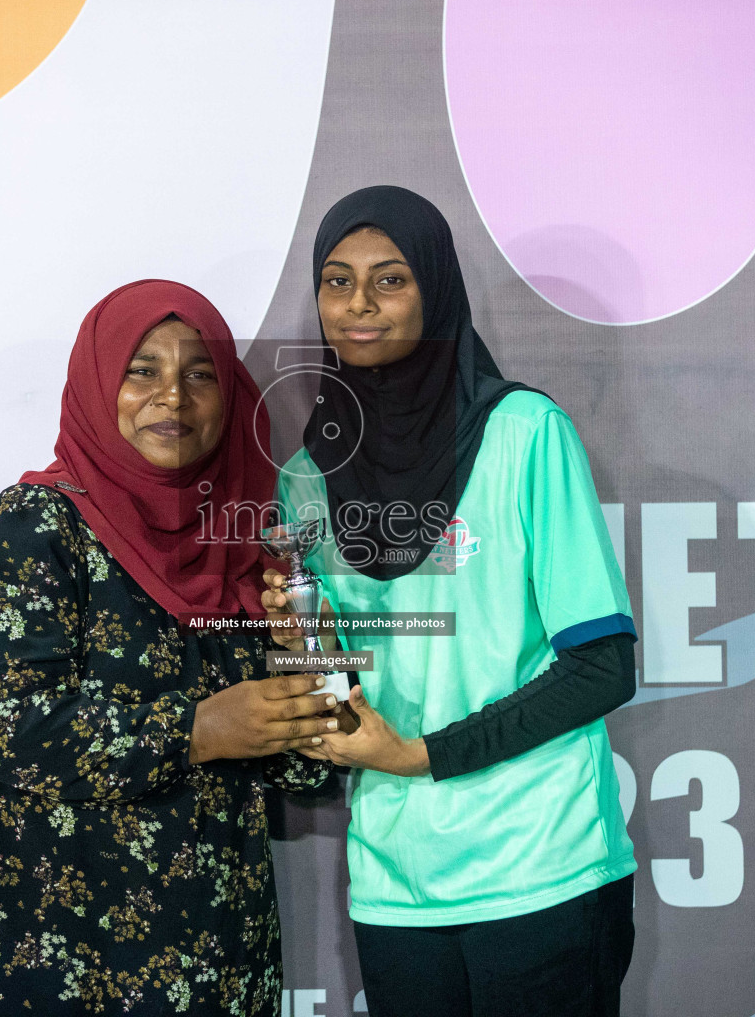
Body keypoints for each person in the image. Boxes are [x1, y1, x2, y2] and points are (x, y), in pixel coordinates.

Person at [0, 279, 338, 1017]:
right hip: (50, 968)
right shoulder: (35, 527)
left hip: (216, 969)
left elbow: (303, 766)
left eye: (200, 374)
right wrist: (199, 729)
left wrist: (307, 654)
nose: (174, 396)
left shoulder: (242, 546)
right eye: (144, 370)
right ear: (100, 384)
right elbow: (6, 731)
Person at [264, 187, 638, 1017]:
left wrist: (423, 755)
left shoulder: (525, 433)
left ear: (434, 291)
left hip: (541, 866)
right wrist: (299, 642)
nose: (358, 304)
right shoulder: (306, 479)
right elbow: (342, 695)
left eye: (390, 280)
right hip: (396, 885)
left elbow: (603, 667)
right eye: (337, 281)